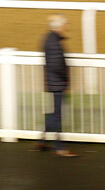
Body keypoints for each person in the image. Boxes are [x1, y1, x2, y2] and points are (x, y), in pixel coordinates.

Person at [39, 15, 78, 157]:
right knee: (58, 115)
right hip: (57, 82)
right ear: (59, 26)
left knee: (56, 113)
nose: (67, 27)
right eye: (65, 24)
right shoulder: (54, 42)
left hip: (53, 81)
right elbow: (57, 65)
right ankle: (59, 147)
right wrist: (65, 79)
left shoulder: (49, 38)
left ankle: (42, 138)